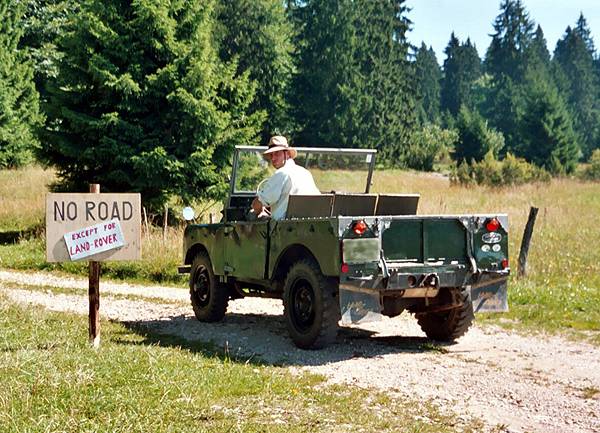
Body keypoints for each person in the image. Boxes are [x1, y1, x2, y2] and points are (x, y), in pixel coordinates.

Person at [251, 135, 320, 220]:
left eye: (277, 153)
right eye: (271, 155)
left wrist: (259, 211)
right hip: (310, 224)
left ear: (287, 154)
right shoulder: (305, 172)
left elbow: (259, 203)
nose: (273, 158)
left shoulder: (281, 173)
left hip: (283, 228)